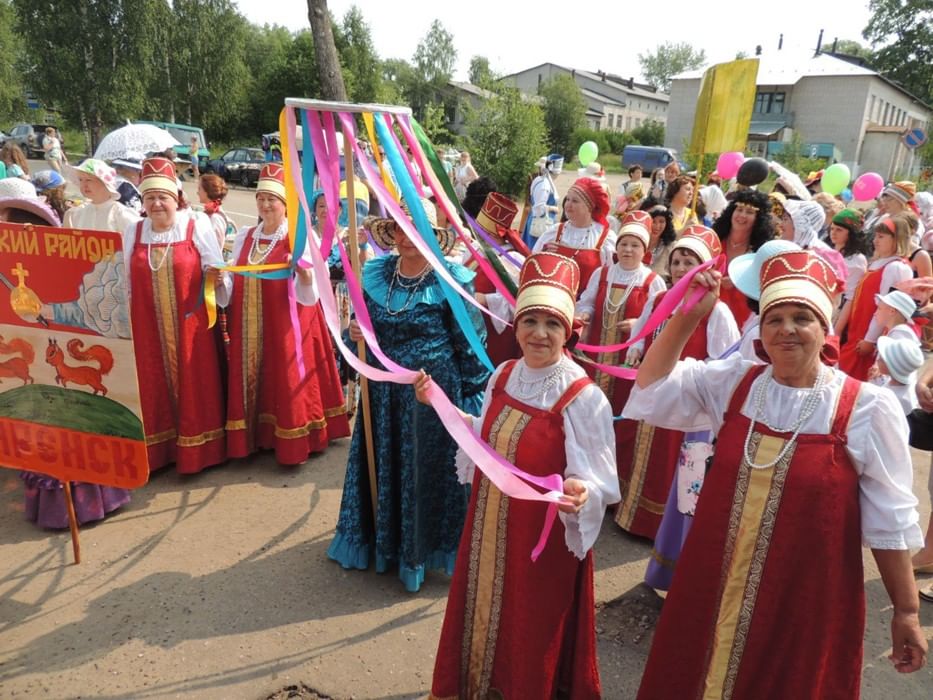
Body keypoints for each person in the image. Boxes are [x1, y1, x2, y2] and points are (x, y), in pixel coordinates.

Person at [629, 249, 926, 698]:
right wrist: (690, 316)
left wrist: (906, 610)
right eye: (774, 318)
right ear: (761, 329)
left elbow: (891, 523)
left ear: (824, 327)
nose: (786, 329)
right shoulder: (734, 382)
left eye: (801, 317)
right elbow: (650, 392)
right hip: (711, 582)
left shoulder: (865, 408)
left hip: (801, 599)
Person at [421, 251, 619, 698]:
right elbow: (483, 438)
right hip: (488, 525)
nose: (539, 334)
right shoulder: (505, 374)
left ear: (568, 332)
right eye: (530, 322)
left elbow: (602, 479)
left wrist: (581, 492)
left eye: (552, 324)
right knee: (483, 609)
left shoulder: (582, 397)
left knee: (530, 624)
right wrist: (437, 401)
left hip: (540, 543)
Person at [327, 197, 490, 592]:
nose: (406, 238)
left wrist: (468, 402)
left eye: (415, 230)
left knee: (424, 472)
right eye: (399, 229)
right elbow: (366, 323)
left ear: (432, 236)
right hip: (382, 396)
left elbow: (470, 342)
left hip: (429, 400)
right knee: (382, 463)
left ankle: (421, 553)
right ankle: (382, 543)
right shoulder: (378, 273)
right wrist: (355, 332)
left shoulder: (451, 281)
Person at [619, 226, 739, 543]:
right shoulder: (660, 298)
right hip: (656, 388)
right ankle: (635, 516)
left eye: (690, 262)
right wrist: (635, 350)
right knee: (645, 452)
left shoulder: (717, 310)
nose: (681, 269)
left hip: (686, 402)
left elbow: (724, 361)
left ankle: (664, 528)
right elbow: (644, 331)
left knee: (678, 461)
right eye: (676, 261)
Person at [225, 164, 349, 465]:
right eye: (261, 199)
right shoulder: (245, 236)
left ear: (284, 205)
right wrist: (220, 280)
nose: (266, 205)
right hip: (249, 325)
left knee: (285, 378)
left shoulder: (298, 238)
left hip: (286, 327)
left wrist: (304, 276)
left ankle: (292, 441)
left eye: (273, 200)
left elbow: (311, 291)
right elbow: (231, 279)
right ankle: (256, 437)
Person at [123, 156, 229, 473]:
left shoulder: (195, 224)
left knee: (195, 383)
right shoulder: (134, 231)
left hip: (190, 328)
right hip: (148, 330)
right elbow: (124, 280)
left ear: (176, 198)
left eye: (163, 197)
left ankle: (200, 453)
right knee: (152, 384)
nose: (156, 204)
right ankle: (160, 452)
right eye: (149, 198)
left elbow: (216, 267)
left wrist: (218, 278)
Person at [837, 215, 914, 380]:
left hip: (867, 335)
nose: (875, 240)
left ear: (896, 239)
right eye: (875, 236)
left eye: (881, 236)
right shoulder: (878, 263)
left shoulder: (895, 267)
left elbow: (886, 308)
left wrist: (870, 340)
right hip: (857, 330)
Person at [467, 192, 527, 366]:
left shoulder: (512, 260)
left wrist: (484, 299)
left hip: (493, 335)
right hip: (469, 326)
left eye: (480, 230)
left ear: (492, 234)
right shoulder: (476, 249)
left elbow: (516, 301)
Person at [533, 177, 617, 294]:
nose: (568, 204)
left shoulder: (605, 238)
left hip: (586, 307)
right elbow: (533, 266)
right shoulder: (555, 232)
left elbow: (612, 278)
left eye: (575, 201)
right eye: (568, 199)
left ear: (590, 206)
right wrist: (544, 256)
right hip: (553, 301)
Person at [712, 189, 775, 329]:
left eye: (750, 212)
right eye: (739, 209)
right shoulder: (714, 241)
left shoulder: (760, 252)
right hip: (708, 313)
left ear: (759, 219)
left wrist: (739, 281)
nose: (742, 215)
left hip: (741, 320)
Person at [63, 159, 139, 233]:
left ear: (104, 183)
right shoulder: (77, 213)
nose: (83, 185)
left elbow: (138, 236)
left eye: (89, 180)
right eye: (80, 180)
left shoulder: (119, 213)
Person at [829, 208, 870, 307]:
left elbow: (850, 298)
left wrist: (839, 322)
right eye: (832, 228)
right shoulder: (829, 251)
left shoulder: (857, 260)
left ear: (851, 234)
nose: (833, 233)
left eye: (839, 230)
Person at [873, 336, 923, 414]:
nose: (878, 360)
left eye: (882, 359)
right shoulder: (900, 379)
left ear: (891, 368)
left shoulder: (897, 399)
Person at [521, 156, 559, 246]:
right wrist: (553, 208)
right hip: (540, 224)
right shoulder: (544, 184)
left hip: (536, 221)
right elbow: (539, 208)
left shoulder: (539, 181)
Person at [197, 174, 236, 258]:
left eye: (199, 189)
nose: (197, 192)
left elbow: (215, 248)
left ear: (207, 191)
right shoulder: (209, 213)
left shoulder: (216, 218)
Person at [643, 204, 677, 280]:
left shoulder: (672, 248)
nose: (657, 226)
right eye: (653, 221)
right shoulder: (637, 243)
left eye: (661, 221)